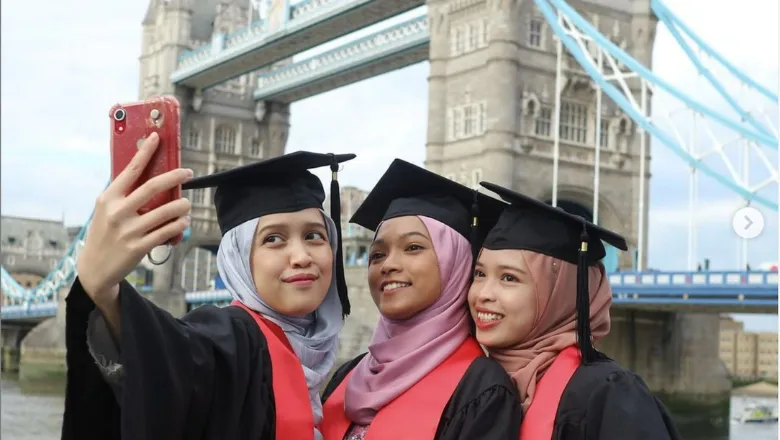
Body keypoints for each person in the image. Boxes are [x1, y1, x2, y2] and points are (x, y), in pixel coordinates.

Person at [61, 133, 356, 440]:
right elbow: (170, 359)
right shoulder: (229, 343)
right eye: (273, 239)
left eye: (314, 236)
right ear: (238, 259)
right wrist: (100, 287)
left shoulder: (348, 371)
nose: (301, 256)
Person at [319, 159, 522, 440]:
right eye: (377, 254)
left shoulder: (482, 389)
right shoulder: (350, 374)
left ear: (456, 262)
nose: (388, 265)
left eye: (413, 247)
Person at [468, 181, 682, 440]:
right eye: (479, 274)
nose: (483, 294)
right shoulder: (473, 384)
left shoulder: (608, 395)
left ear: (564, 293)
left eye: (509, 278)